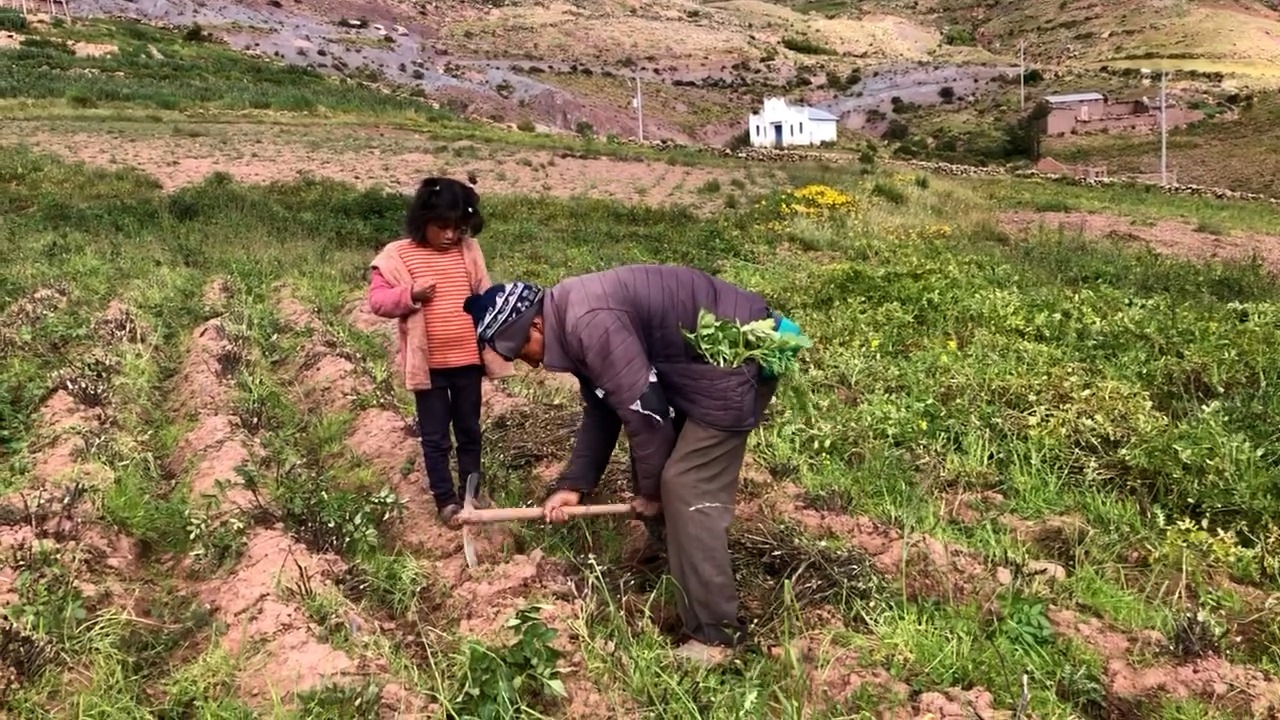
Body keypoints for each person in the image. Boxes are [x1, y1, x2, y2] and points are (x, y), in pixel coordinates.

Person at [462, 264, 788, 664]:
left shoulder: (588, 322)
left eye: (517, 351)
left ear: (536, 326)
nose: (528, 364)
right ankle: (667, 560)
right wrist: (574, 483)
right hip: (696, 367)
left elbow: (646, 413)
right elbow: (605, 406)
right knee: (655, 461)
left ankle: (716, 636)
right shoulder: (571, 317)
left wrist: (652, 493)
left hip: (734, 362)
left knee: (686, 486)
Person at [367, 177, 513, 524]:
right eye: (442, 227)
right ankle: (446, 501)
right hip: (430, 366)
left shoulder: (469, 250)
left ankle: (471, 495)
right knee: (435, 437)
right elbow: (377, 301)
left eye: (458, 228)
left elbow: (485, 294)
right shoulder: (397, 255)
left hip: (467, 363)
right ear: (423, 221)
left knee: (469, 431)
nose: (450, 235)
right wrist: (410, 295)